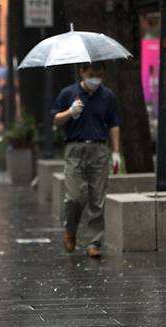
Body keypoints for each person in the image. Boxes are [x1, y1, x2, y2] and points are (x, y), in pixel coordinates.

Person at [52, 62, 121, 258]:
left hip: (99, 149)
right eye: (91, 74)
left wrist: (116, 152)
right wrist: (70, 112)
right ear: (81, 72)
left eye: (99, 75)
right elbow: (55, 119)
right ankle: (70, 229)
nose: (95, 79)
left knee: (97, 199)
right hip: (74, 149)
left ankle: (94, 241)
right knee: (74, 197)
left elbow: (114, 123)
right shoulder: (68, 93)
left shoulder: (108, 96)